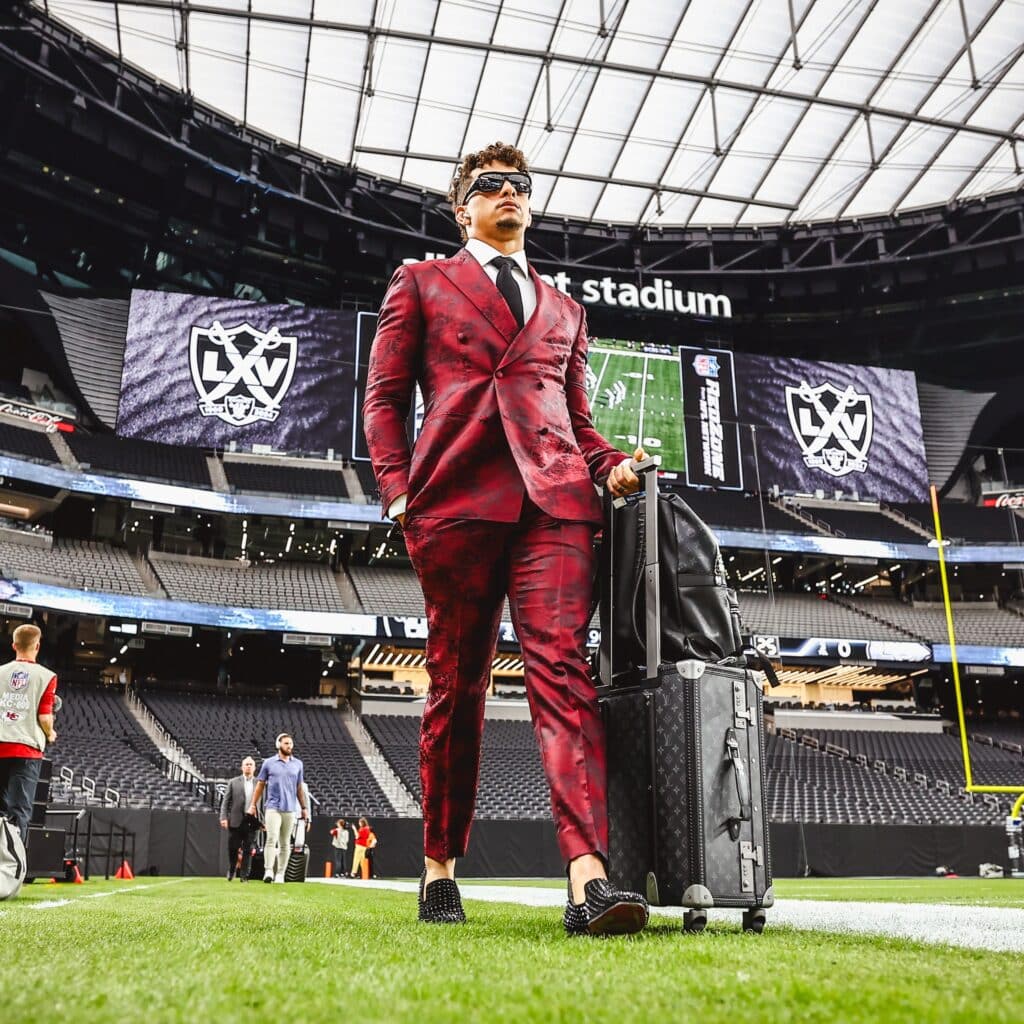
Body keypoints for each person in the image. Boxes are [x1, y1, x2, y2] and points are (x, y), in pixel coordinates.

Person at [362, 140, 649, 935]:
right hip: (453, 501)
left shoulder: (566, 311)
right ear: (463, 208)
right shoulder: (421, 281)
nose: (510, 195)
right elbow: (384, 398)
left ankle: (587, 877)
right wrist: (396, 492)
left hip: (555, 505)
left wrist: (612, 468)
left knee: (562, 669)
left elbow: (578, 425)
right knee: (459, 687)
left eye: (521, 186)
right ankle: (439, 870)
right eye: (491, 185)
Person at [0, 624, 57, 844]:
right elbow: (44, 717)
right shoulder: (46, 676)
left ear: (13, 645)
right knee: (18, 813)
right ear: (38, 646)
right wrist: (50, 734)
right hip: (26, 750)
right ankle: (11, 872)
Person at [248, 733, 309, 884]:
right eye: (286, 743)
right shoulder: (269, 763)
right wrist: (253, 804)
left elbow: (299, 788)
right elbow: (260, 785)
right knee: (271, 838)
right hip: (273, 807)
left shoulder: (298, 764)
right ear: (279, 745)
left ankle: (280, 873)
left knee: (285, 842)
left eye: (291, 743)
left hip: (290, 809)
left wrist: (304, 807)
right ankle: (269, 870)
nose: (289, 746)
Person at [219, 755, 259, 882]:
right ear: (242, 767)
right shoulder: (233, 782)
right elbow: (226, 802)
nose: (248, 766)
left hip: (252, 822)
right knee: (233, 849)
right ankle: (232, 870)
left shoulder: (260, 783)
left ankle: (244, 876)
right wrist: (223, 817)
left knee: (248, 849)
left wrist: (263, 821)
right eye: (246, 764)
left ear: (254, 767)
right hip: (235, 821)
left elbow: (264, 803)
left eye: (250, 764)